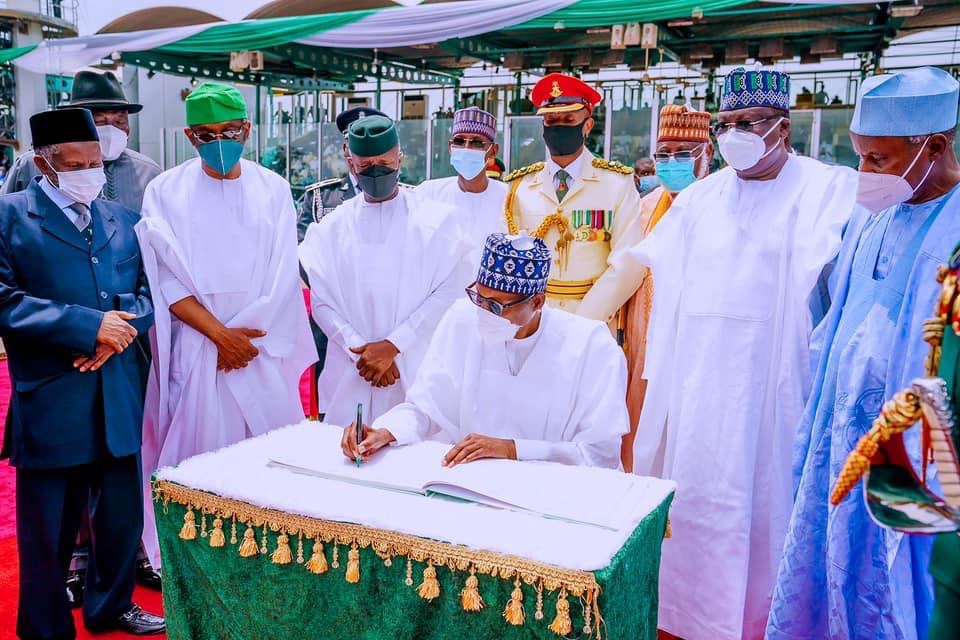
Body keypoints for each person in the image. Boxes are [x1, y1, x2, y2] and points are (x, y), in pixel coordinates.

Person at [623, 66, 858, 640]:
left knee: (768, 515)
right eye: (724, 124)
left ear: (782, 126)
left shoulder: (828, 189)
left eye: (747, 122)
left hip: (776, 389)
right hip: (699, 390)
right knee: (697, 515)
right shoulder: (699, 199)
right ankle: (687, 620)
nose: (734, 134)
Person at [768, 66, 960, 640]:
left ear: (936, 147)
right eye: (860, 157)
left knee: (904, 587)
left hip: (917, 456)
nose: (864, 173)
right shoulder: (870, 220)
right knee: (829, 567)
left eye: (878, 159)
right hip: (842, 432)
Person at [136, 82, 316, 570]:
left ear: (248, 129)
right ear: (190, 135)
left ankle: (271, 560)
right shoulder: (164, 190)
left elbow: (282, 275)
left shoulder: (272, 188)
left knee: (267, 462)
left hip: (258, 345)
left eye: (229, 130)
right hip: (196, 346)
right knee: (197, 461)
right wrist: (218, 337)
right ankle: (193, 565)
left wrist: (239, 340)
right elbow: (165, 278)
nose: (218, 141)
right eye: (204, 133)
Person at [0, 108, 164, 637]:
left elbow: (145, 293)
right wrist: (86, 327)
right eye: (77, 164)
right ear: (45, 165)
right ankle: (45, 626)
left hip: (116, 389)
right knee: (49, 528)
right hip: (53, 393)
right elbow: (5, 300)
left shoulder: (121, 219)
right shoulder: (9, 216)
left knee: (120, 517)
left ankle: (111, 604)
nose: (90, 173)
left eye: (96, 162)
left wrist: (119, 328)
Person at [342, 232, 627, 469]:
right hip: (467, 486)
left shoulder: (590, 345)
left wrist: (512, 449)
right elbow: (426, 408)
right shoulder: (462, 319)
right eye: (479, 298)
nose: (483, 314)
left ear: (538, 302)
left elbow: (599, 455)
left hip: (548, 499)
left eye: (496, 306)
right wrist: (385, 431)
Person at [300, 114, 469, 426]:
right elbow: (322, 302)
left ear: (399, 158)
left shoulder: (437, 221)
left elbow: (449, 292)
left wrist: (394, 345)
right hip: (352, 370)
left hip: (417, 366)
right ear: (351, 164)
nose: (376, 171)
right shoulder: (329, 229)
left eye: (385, 163)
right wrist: (362, 354)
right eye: (366, 166)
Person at [503, 73, 644, 334]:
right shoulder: (520, 187)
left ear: (587, 126)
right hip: (532, 322)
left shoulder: (616, 184)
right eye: (551, 120)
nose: (558, 127)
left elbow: (628, 263)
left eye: (569, 120)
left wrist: (583, 323)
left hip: (593, 323)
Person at [621, 103, 712, 471]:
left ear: (706, 155)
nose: (671, 162)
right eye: (664, 154)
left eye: (682, 154)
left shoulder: (718, 206)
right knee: (636, 442)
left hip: (693, 353)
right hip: (639, 352)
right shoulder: (641, 209)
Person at [297, 106, 386, 419]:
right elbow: (302, 258)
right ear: (345, 148)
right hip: (334, 324)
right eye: (352, 141)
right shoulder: (321, 197)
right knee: (333, 403)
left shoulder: (405, 195)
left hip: (387, 317)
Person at [1, 70, 161, 213]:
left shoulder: (148, 172)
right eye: (99, 122)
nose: (111, 131)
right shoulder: (34, 164)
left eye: (119, 122)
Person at [416, 107, 507, 268]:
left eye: (477, 142)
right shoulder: (428, 194)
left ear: (493, 151)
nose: (466, 148)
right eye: (459, 141)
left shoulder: (509, 198)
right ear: (450, 147)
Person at [296, 106, 386, 241]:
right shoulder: (320, 198)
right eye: (356, 144)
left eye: (371, 145)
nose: (364, 151)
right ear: (345, 149)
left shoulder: (403, 197)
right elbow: (301, 250)